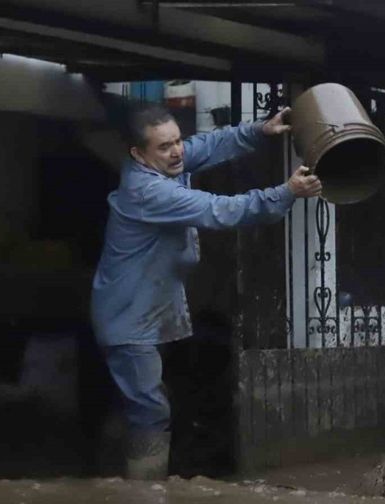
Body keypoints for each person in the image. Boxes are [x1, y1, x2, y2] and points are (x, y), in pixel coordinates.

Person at [91, 104, 321, 479]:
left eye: (177, 141)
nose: (177, 151)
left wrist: (260, 130)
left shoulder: (168, 162)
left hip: (151, 310)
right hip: (129, 319)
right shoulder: (147, 190)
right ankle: (142, 490)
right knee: (150, 409)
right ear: (138, 154)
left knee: (148, 403)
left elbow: (210, 144)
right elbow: (222, 211)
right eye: (165, 146)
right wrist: (287, 191)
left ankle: (119, 478)